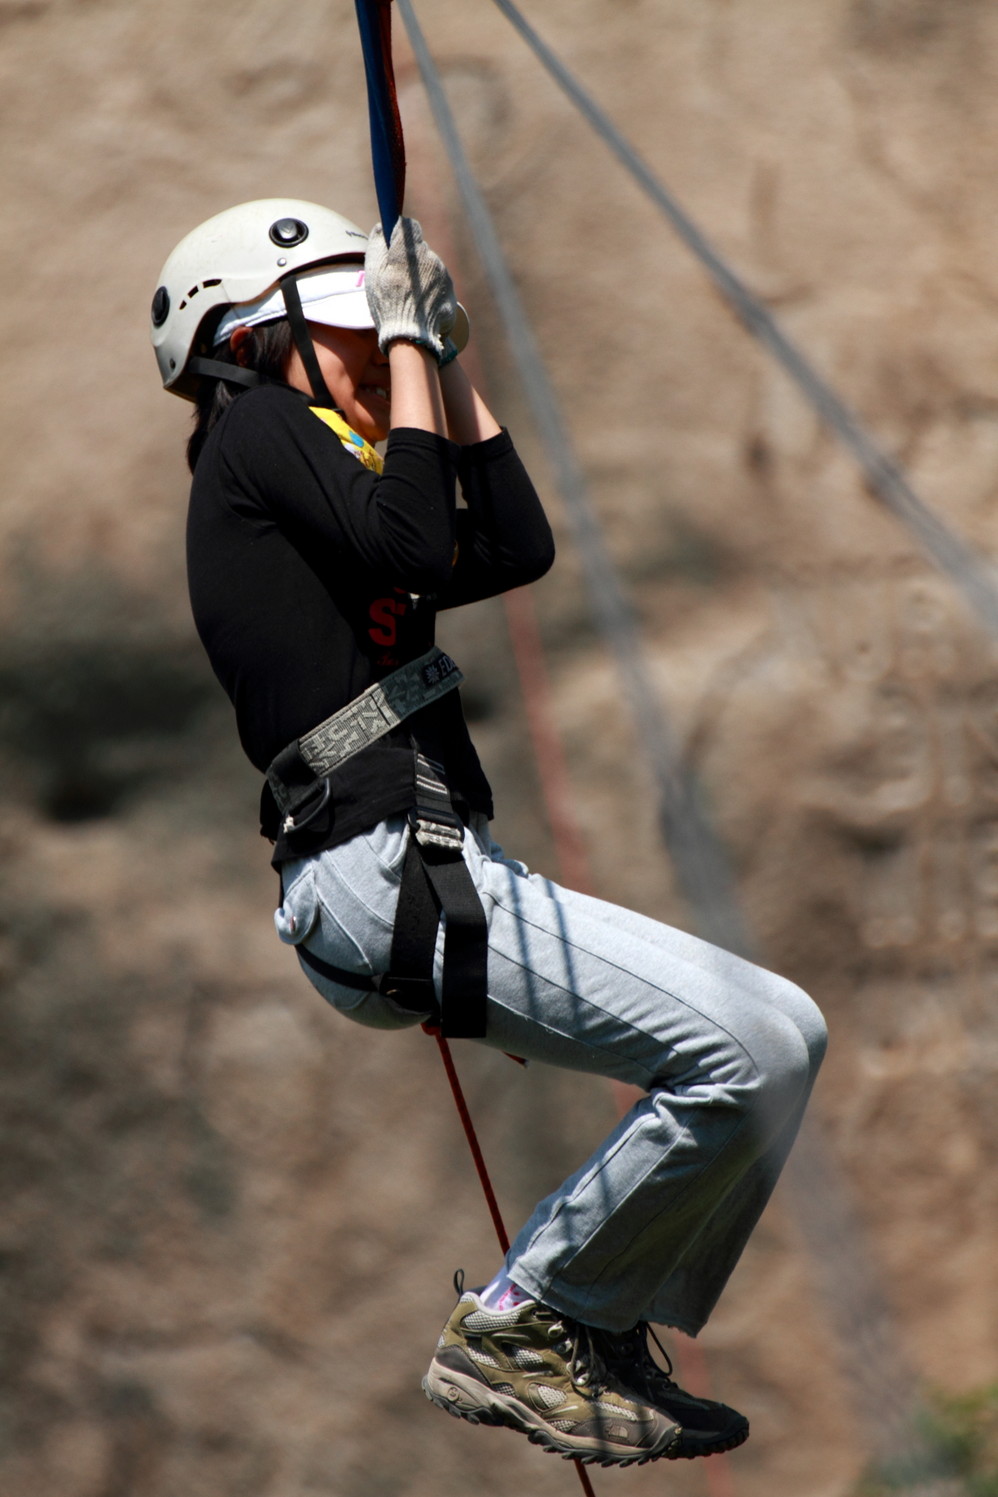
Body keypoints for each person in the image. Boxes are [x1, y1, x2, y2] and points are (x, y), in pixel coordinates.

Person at [151, 198, 827, 1469]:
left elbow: (508, 543)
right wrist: (411, 356)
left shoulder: (319, 473)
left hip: (417, 867)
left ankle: (584, 1317)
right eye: (350, 333)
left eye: (378, 336)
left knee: (780, 1033)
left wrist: (442, 359)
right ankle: (537, 1317)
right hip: (374, 870)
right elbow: (412, 537)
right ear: (246, 339)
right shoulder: (254, 433)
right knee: (748, 1048)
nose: (371, 356)